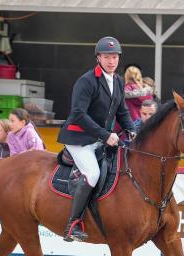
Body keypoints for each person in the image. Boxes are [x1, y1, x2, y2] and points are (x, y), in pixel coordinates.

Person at [57, 36, 135, 242]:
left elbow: (122, 111)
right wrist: (105, 135)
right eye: (107, 56)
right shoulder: (86, 81)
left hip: (100, 138)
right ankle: (73, 224)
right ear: (98, 57)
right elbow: (78, 114)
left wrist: (132, 129)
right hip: (78, 138)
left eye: (115, 57)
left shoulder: (118, 80)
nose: (112, 61)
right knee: (92, 174)